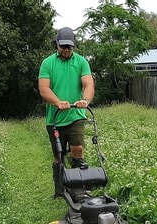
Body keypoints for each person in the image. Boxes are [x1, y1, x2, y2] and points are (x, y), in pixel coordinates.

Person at [38, 27, 95, 198]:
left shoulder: (81, 62)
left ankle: (79, 186)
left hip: (75, 116)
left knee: (77, 148)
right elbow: (43, 89)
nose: (66, 50)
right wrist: (57, 102)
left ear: (74, 46)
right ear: (57, 45)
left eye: (69, 47)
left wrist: (84, 100)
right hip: (54, 118)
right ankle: (60, 189)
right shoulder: (48, 63)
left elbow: (88, 84)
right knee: (58, 154)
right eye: (63, 46)